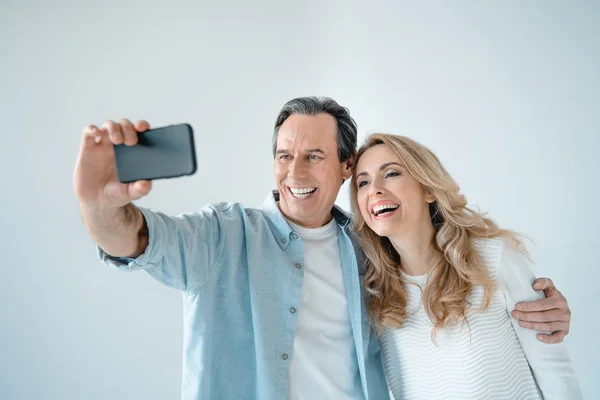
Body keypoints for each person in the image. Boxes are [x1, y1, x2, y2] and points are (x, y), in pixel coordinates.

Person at [73, 97, 572, 400]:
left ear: (343, 167)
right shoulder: (221, 237)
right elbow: (135, 240)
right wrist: (99, 205)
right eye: (284, 156)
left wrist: (540, 308)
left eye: (314, 156)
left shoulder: (369, 258)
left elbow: (463, 320)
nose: (296, 173)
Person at [350, 133, 582, 399]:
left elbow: (554, 369)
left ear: (428, 189)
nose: (374, 189)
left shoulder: (494, 259)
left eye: (391, 174)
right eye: (363, 182)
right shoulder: (376, 295)